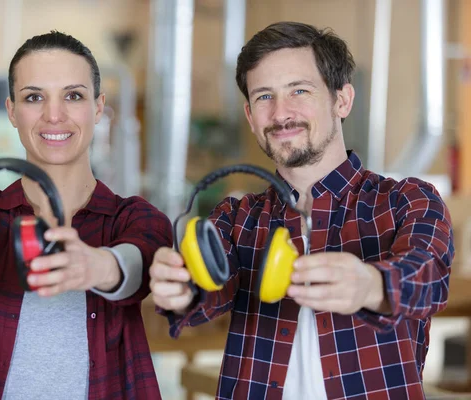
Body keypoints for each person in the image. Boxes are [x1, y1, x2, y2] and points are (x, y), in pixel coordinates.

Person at [149, 21, 454, 399]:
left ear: (341, 100)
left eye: (299, 90)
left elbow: (429, 279)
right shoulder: (236, 218)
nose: (281, 113)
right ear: (249, 115)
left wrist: (370, 285)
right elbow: (204, 290)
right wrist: (179, 291)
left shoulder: (408, 200)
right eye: (264, 96)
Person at [0, 30, 172, 400]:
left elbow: (139, 263)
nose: (54, 115)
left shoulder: (135, 218)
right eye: (34, 97)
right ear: (12, 111)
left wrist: (98, 266)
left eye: (73, 96)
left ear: (97, 107)